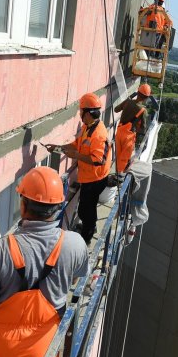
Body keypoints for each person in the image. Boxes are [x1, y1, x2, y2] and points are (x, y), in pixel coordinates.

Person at [0, 166, 89, 357]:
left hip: (1, 340)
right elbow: (75, 281)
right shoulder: (75, 244)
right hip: (44, 339)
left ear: (23, 205)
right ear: (59, 207)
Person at [60, 93, 112, 244]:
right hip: (89, 177)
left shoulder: (98, 134)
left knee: (86, 210)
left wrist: (76, 155)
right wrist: (60, 148)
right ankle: (89, 227)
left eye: (81, 111)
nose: (79, 114)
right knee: (86, 208)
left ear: (88, 113)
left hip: (96, 179)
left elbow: (98, 160)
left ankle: (86, 237)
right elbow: (77, 144)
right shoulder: (87, 127)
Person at [114, 83, 153, 173]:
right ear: (146, 98)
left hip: (119, 132)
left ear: (137, 92)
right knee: (124, 159)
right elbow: (143, 129)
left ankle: (116, 175)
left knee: (118, 156)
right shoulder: (143, 111)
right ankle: (119, 178)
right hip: (129, 137)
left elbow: (116, 109)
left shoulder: (128, 101)